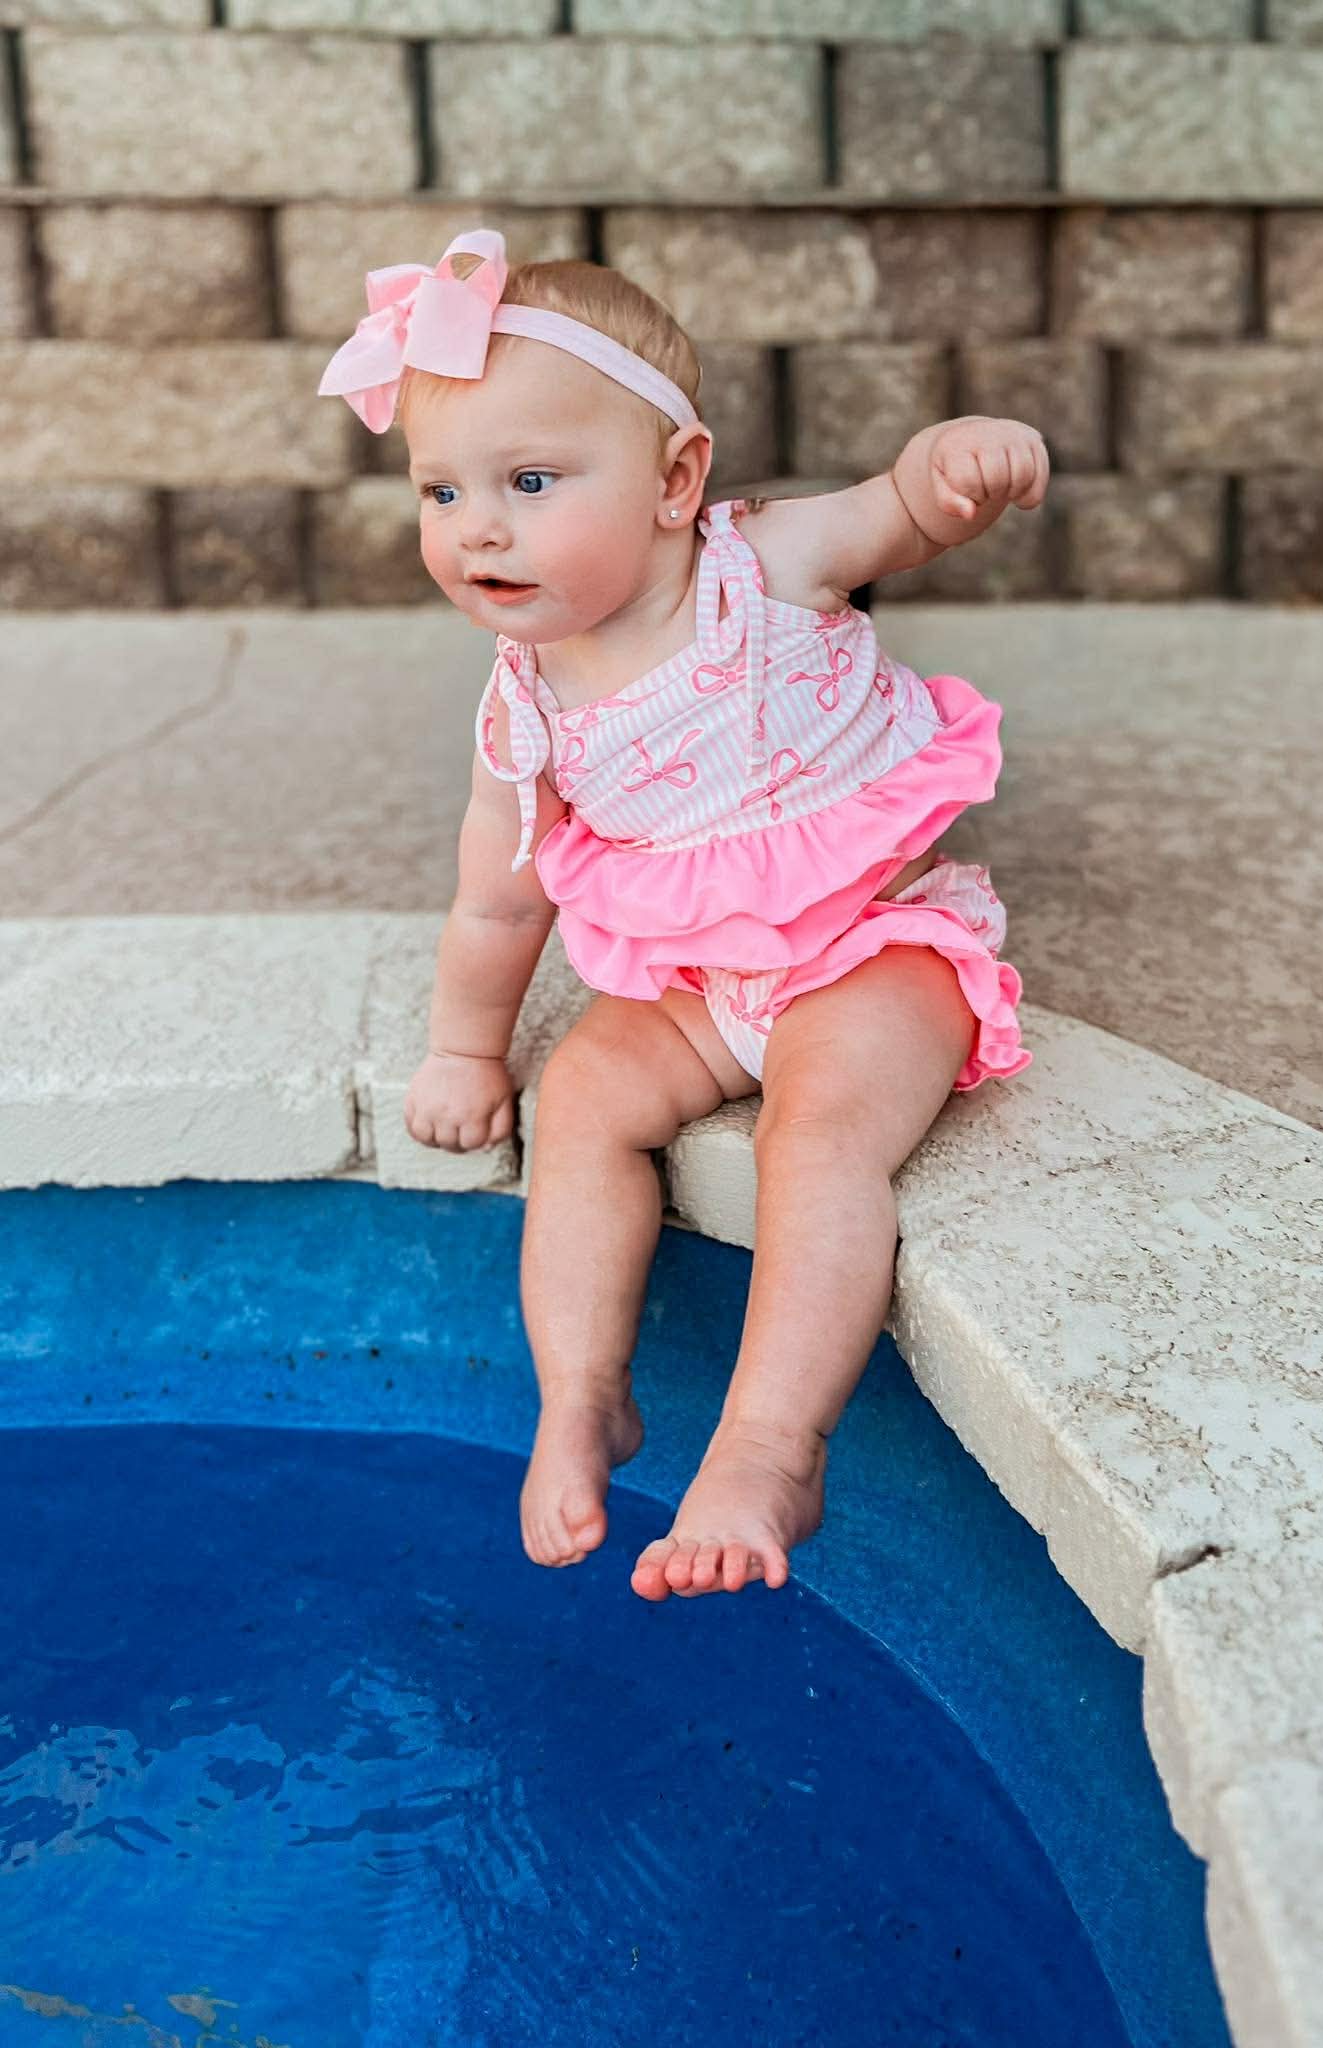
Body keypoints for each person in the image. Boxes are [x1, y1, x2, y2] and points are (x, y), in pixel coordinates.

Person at [319, 228, 1047, 1604]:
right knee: (584, 1095)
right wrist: (467, 1050)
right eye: (442, 490)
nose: (479, 528)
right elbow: (498, 899)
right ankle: (583, 1391)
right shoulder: (524, 698)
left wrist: (952, 466)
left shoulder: (759, 567)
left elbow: (897, 510)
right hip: (706, 983)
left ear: (676, 480)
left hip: (872, 949)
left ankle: (772, 1444)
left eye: (531, 482)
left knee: (814, 1138)